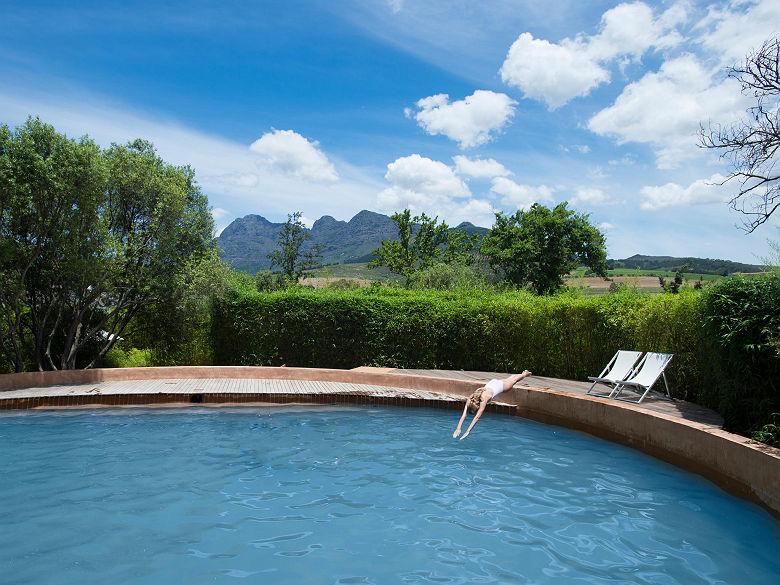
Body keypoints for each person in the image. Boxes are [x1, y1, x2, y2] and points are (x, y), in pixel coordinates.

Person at [452, 370, 532, 440]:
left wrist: (467, 431)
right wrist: (458, 428)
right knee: (510, 379)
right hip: (493, 383)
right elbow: (464, 415)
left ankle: (525, 374)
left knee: (514, 381)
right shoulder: (472, 397)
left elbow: (476, 418)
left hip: (501, 386)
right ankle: (523, 373)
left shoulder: (483, 400)